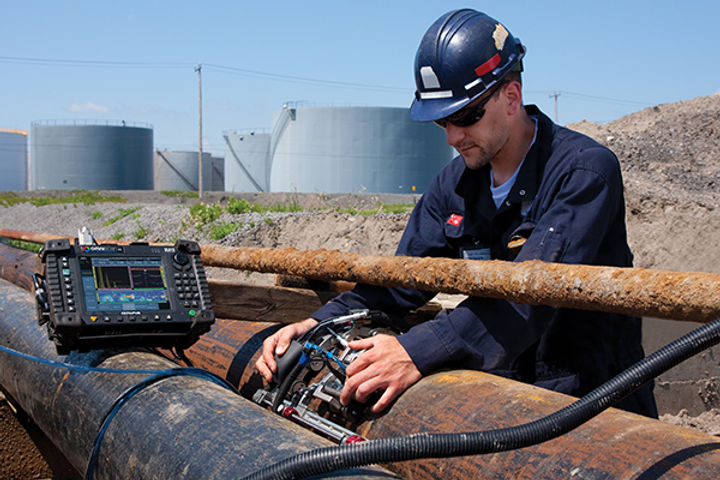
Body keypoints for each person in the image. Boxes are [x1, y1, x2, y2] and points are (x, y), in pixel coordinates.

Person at [256, 8, 658, 418]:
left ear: (511, 97)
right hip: (510, 396)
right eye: (442, 121)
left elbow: (531, 299)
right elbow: (397, 282)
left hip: (598, 400)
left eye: (465, 117)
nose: (452, 136)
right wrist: (319, 324)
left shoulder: (582, 172)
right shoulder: (454, 186)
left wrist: (416, 351)